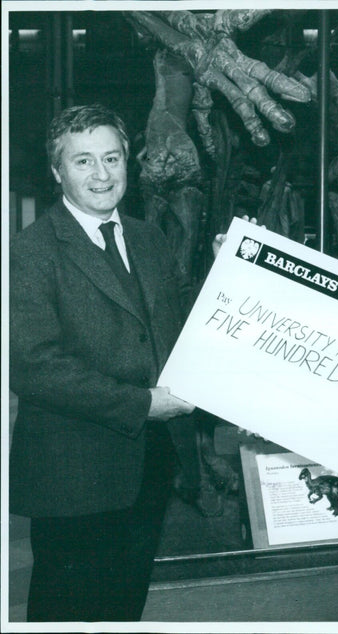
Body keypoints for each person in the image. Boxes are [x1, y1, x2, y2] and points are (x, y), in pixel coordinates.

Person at [9, 104, 197, 621]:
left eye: (112, 158)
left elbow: (177, 323)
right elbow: (33, 366)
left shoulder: (149, 238)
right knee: (67, 615)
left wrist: (234, 274)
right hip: (72, 476)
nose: (101, 175)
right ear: (57, 172)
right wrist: (143, 403)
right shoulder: (29, 252)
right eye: (83, 161)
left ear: (127, 163)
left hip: (147, 468)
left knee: (122, 611)